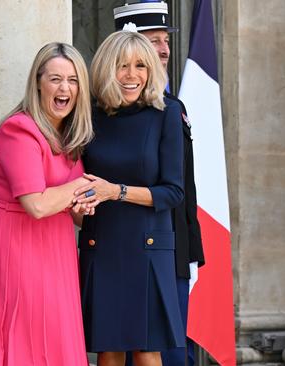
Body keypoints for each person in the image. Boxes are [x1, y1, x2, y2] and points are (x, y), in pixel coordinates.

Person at [0, 42, 94, 366]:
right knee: (21, 343)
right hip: (17, 248)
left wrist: (82, 206)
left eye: (73, 80)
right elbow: (36, 204)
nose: (64, 87)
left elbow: (74, 213)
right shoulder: (18, 129)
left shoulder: (69, 136)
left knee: (57, 341)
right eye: (55, 79)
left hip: (58, 249)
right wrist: (79, 188)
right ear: (38, 82)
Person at [75, 30, 185, 366]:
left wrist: (116, 191)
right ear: (107, 68)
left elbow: (173, 191)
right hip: (102, 242)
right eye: (123, 65)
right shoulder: (89, 116)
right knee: (108, 348)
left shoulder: (165, 113)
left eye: (141, 66)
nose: (132, 75)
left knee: (146, 348)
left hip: (149, 247)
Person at [114, 2, 206, 364]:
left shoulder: (171, 107)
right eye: (154, 40)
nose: (165, 49)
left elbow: (185, 187)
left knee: (170, 353)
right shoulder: (103, 112)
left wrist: (192, 251)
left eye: (165, 39)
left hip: (173, 247)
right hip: (127, 247)